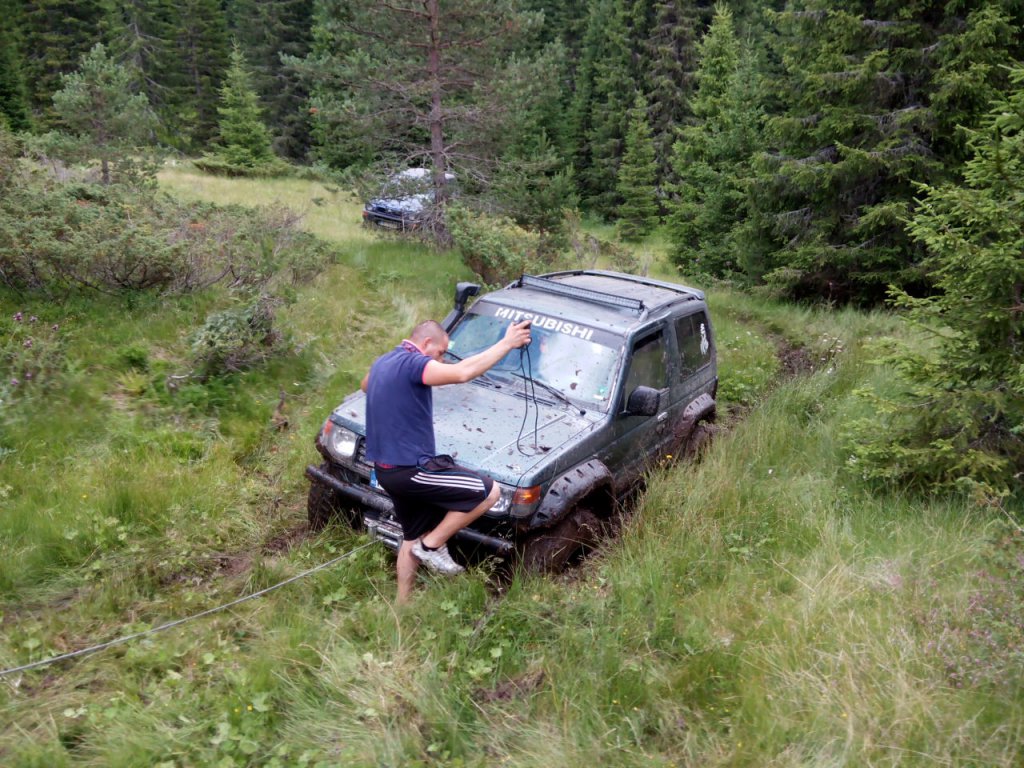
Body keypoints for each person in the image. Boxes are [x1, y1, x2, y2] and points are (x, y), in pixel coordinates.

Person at [361, 317, 532, 604]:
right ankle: (433, 545)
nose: (440, 359)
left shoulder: (384, 362)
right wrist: (506, 343)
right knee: (489, 492)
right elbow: (462, 373)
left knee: (411, 537)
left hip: (386, 469)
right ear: (426, 343)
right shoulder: (414, 363)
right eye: (440, 352)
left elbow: (366, 385)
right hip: (411, 468)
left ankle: (401, 608)